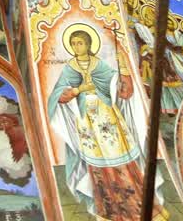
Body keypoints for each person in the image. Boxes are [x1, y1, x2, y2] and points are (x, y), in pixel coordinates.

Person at [46, 27, 143, 219]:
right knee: (97, 162)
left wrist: (122, 68)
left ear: (89, 44)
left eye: (80, 43)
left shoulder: (99, 65)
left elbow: (121, 88)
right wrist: (77, 90)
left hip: (107, 115)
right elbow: (59, 95)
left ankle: (134, 202)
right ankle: (107, 207)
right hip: (87, 121)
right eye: (73, 43)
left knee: (119, 156)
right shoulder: (70, 67)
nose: (76, 46)